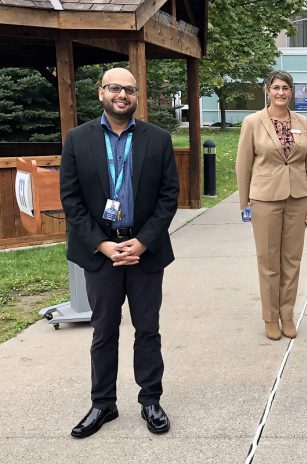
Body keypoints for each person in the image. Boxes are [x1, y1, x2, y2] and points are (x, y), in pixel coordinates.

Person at [60, 67, 179, 437]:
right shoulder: (77, 140)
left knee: (148, 330)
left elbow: (168, 197)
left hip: (146, 250)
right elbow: (72, 199)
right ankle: (103, 403)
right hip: (100, 253)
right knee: (103, 330)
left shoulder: (157, 139)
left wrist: (142, 241)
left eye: (129, 89)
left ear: (137, 96)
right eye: (114, 88)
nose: (121, 95)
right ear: (101, 93)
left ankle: (150, 399)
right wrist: (103, 244)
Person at [236, 70, 307, 341]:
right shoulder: (252, 122)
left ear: (291, 91)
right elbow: (243, 164)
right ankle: (270, 317)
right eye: (276, 88)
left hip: (297, 198)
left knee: (292, 261)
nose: (281, 92)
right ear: (267, 91)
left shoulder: (302, 122)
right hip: (265, 199)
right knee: (269, 261)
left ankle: (287, 314)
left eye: (286, 88)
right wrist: (245, 202)